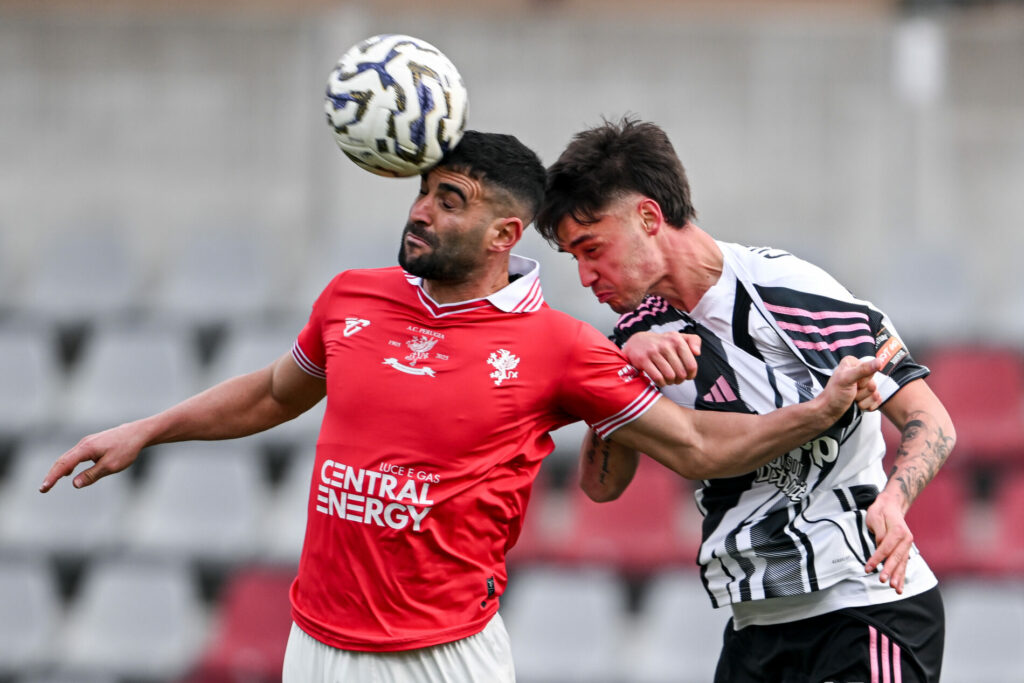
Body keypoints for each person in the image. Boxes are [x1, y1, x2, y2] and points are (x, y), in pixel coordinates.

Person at [40, 131, 879, 682]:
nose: (421, 211)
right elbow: (268, 392)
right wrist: (146, 428)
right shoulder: (352, 299)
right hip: (317, 648)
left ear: (504, 235)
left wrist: (820, 410)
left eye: (451, 200)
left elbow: (696, 443)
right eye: (424, 191)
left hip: (445, 657)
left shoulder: (564, 347)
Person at [536, 117, 955, 683]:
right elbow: (600, 486)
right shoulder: (634, 335)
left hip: (863, 610)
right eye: (574, 259)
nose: (586, 277)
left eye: (592, 249)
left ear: (648, 217)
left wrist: (894, 503)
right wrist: (620, 379)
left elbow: (933, 421)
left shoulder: (795, 294)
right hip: (755, 627)